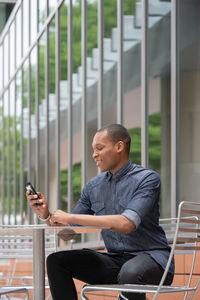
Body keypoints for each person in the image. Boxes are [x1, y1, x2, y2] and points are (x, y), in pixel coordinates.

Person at [26, 124, 174, 300]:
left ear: (119, 147)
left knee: (130, 272)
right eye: (93, 149)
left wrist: (70, 216)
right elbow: (69, 234)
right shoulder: (93, 186)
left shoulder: (147, 179)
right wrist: (46, 215)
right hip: (115, 261)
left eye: (99, 148)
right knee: (57, 261)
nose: (94, 154)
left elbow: (127, 224)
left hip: (153, 258)